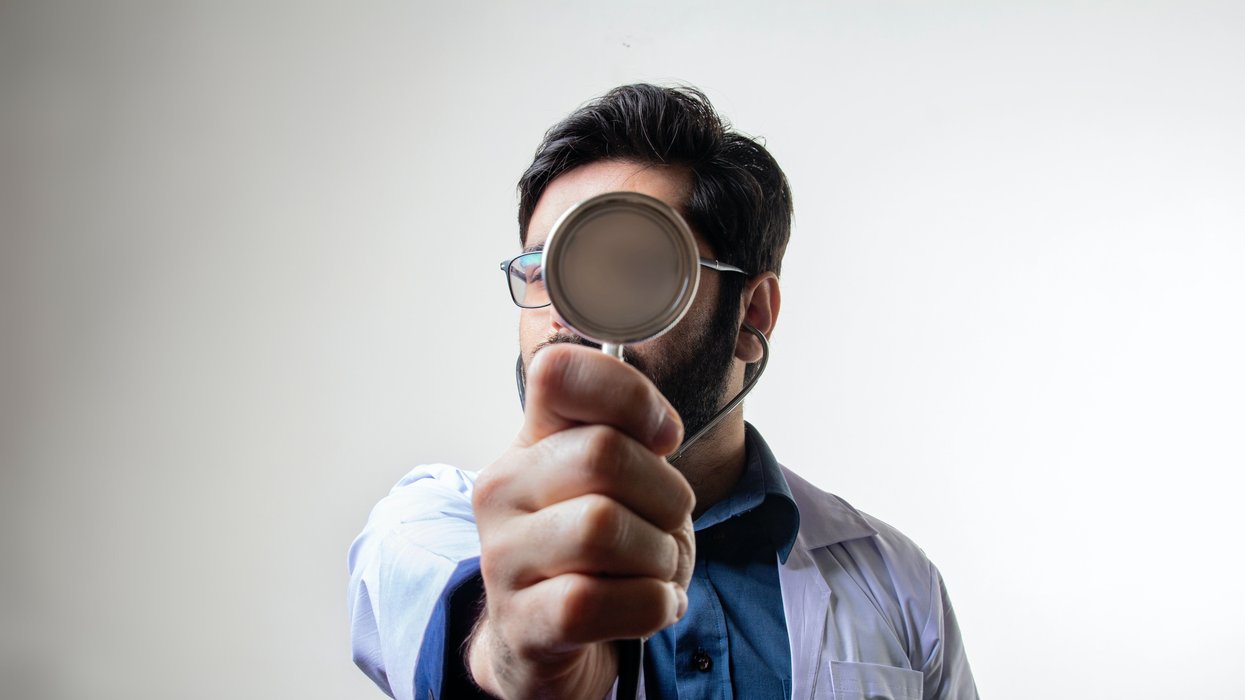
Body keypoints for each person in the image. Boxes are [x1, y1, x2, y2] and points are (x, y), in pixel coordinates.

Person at [348, 84, 978, 700]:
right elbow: (479, 644)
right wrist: (519, 657)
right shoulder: (426, 525)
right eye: (544, 269)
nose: (567, 312)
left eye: (633, 264)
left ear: (752, 315)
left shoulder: (897, 584)